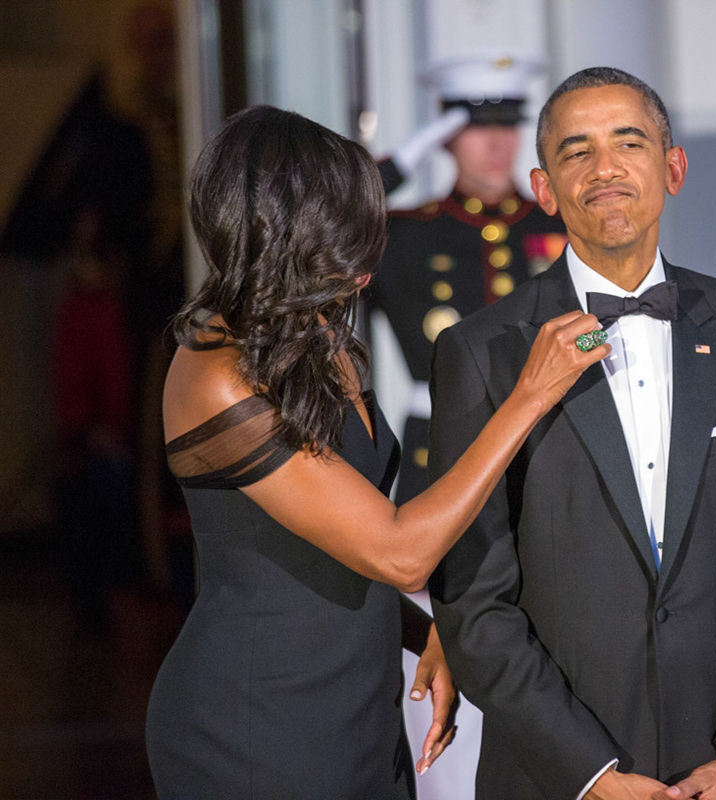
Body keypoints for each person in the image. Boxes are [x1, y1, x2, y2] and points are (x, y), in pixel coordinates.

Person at [143, 105, 608, 798]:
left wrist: (428, 634)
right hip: (256, 723)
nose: (368, 255)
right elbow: (397, 551)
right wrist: (528, 398)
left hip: (357, 710)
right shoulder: (215, 373)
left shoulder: (316, 331)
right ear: (285, 231)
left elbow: (329, 548)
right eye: (347, 231)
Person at [427, 67, 716, 800]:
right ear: (545, 188)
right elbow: (474, 603)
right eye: (576, 151)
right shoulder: (480, 352)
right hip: (556, 779)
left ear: (672, 169)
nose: (605, 169)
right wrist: (590, 775)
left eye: (629, 142)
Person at [369, 54, 569, 504]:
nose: (497, 144)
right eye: (478, 128)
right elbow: (318, 227)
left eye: (508, 126)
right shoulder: (402, 234)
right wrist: (398, 165)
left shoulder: (560, 225)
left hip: (552, 438)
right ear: (444, 139)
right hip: (443, 444)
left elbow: (604, 326)